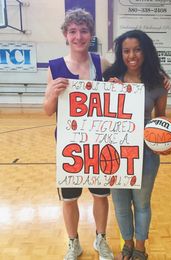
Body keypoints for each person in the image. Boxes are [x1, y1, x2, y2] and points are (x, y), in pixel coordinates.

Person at [43, 8, 113, 260]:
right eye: (73, 31)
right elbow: (48, 111)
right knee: (69, 199)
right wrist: (52, 93)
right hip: (69, 145)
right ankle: (73, 243)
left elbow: (125, 87)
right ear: (65, 34)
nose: (78, 36)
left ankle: (101, 239)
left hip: (99, 144)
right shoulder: (55, 67)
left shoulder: (101, 63)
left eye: (84, 31)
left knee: (101, 195)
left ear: (91, 34)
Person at [103, 30, 171, 260]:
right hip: (114, 151)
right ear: (121, 54)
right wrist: (109, 93)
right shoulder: (110, 78)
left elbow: (161, 117)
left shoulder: (158, 81)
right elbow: (98, 117)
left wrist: (164, 141)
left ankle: (140, 249)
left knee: (141, 203)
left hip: (146, 151)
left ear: (146, 51)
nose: (132, 55)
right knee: (121, 204)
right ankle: (127, 245)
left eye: (137, 49)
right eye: (126, 50)